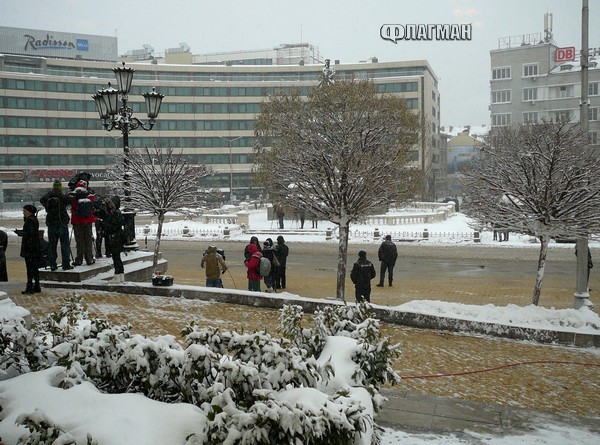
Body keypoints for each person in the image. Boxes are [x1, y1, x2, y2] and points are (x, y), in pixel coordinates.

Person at [40, 179, 73, 271]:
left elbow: (42, 200)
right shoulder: (62, 196)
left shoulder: (48, 196)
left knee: (52, 245)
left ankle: (52, 264)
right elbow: (69, 201)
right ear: (61, 187)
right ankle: (66, 264)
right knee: (65, 245)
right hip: (62, 223)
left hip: (51, 224)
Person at [96, 196, 125, 282]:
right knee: (117, 257)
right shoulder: (117, 213)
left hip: (114, 238)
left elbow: (111, 227)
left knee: (116, 258)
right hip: (118, 238)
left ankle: (117, 276)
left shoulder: (113, 214)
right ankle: (120, 276)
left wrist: (102, 224)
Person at [14, 204, 42, 294]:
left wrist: (20, 233)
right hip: (33, 247)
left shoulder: (31, 220)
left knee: (30, 268)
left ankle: (30, 287)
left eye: (25, 211)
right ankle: (36, 285)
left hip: (30, 247)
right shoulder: (32, 219)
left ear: (29, 212)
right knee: (34, 268)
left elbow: (29, 233)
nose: (23, 213)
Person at [69, 180, 96, 266]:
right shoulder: (89, 196)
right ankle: (89, 258)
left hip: (77, 222)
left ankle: (79, 259)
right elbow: (93, 205)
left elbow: (72, 206)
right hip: (88, 221)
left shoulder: (74, 196)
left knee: (79, 241)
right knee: (88, 240)